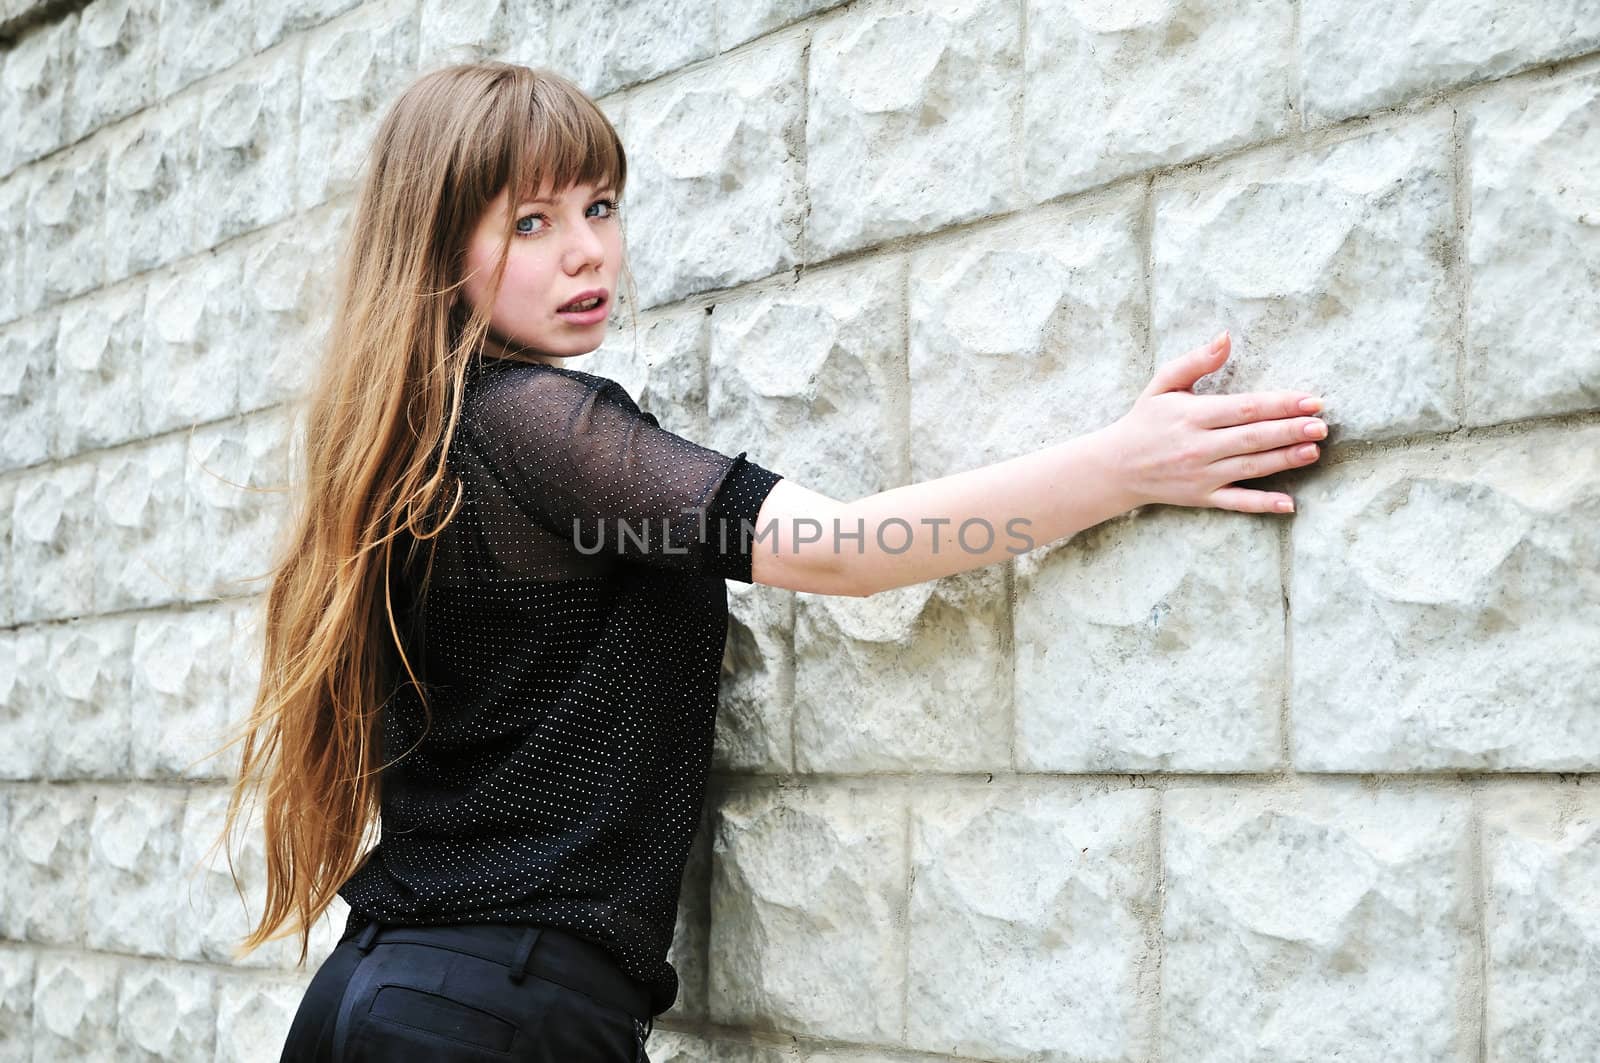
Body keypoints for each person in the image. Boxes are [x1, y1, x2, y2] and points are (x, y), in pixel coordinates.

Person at [200, 61, 1327, 1062]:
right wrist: (1121, 467)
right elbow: (845, 549)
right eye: (531, 223)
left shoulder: (407, 441)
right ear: (434, 245)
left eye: (599, 206)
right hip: (498, 1012)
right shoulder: (539, 425)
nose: (590, 247)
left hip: (377, 994)